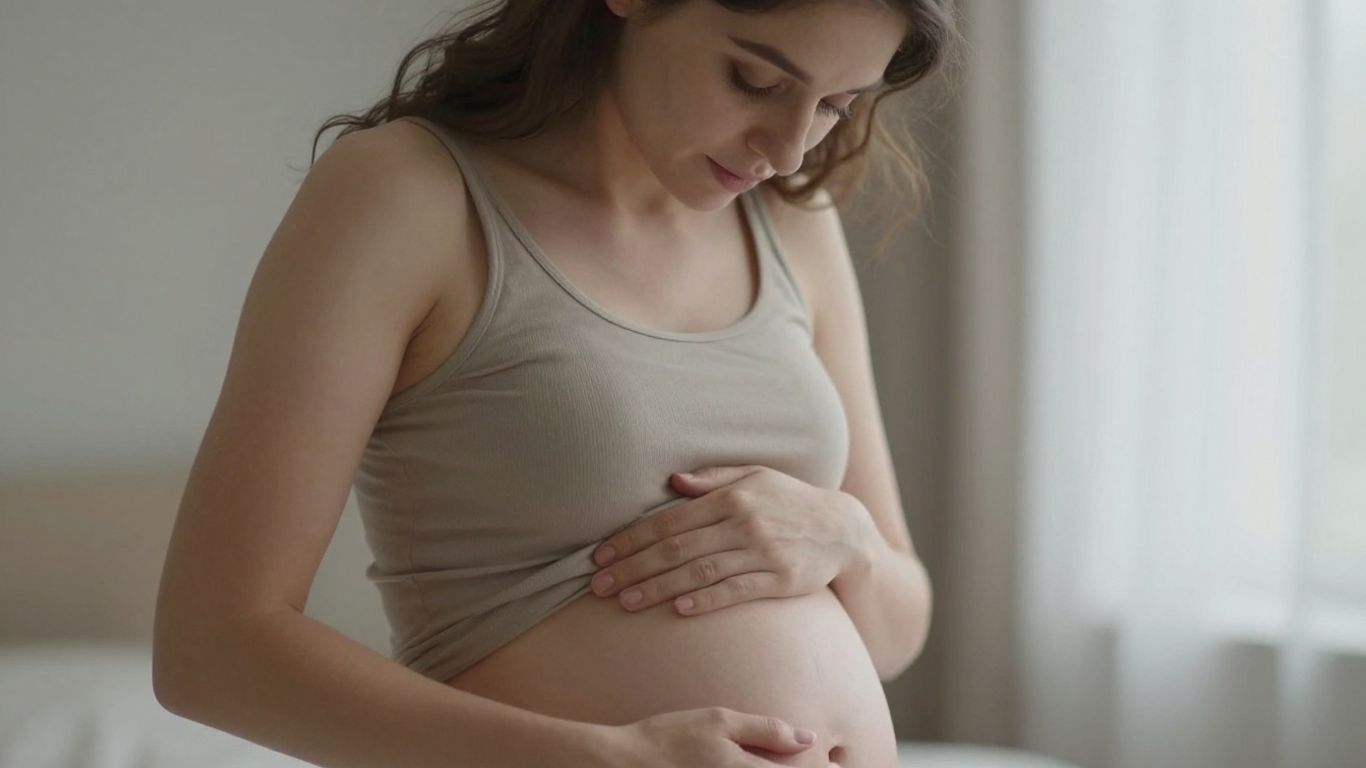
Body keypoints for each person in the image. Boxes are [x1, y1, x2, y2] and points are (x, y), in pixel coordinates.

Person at [153, 1, 963, 766]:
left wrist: (846, 537)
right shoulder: (408, 195)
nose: (787, 151)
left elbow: (898, 630)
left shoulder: (791, 219)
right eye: (755, 81)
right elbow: (210, 649)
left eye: (836, 106)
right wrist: (600, 759)